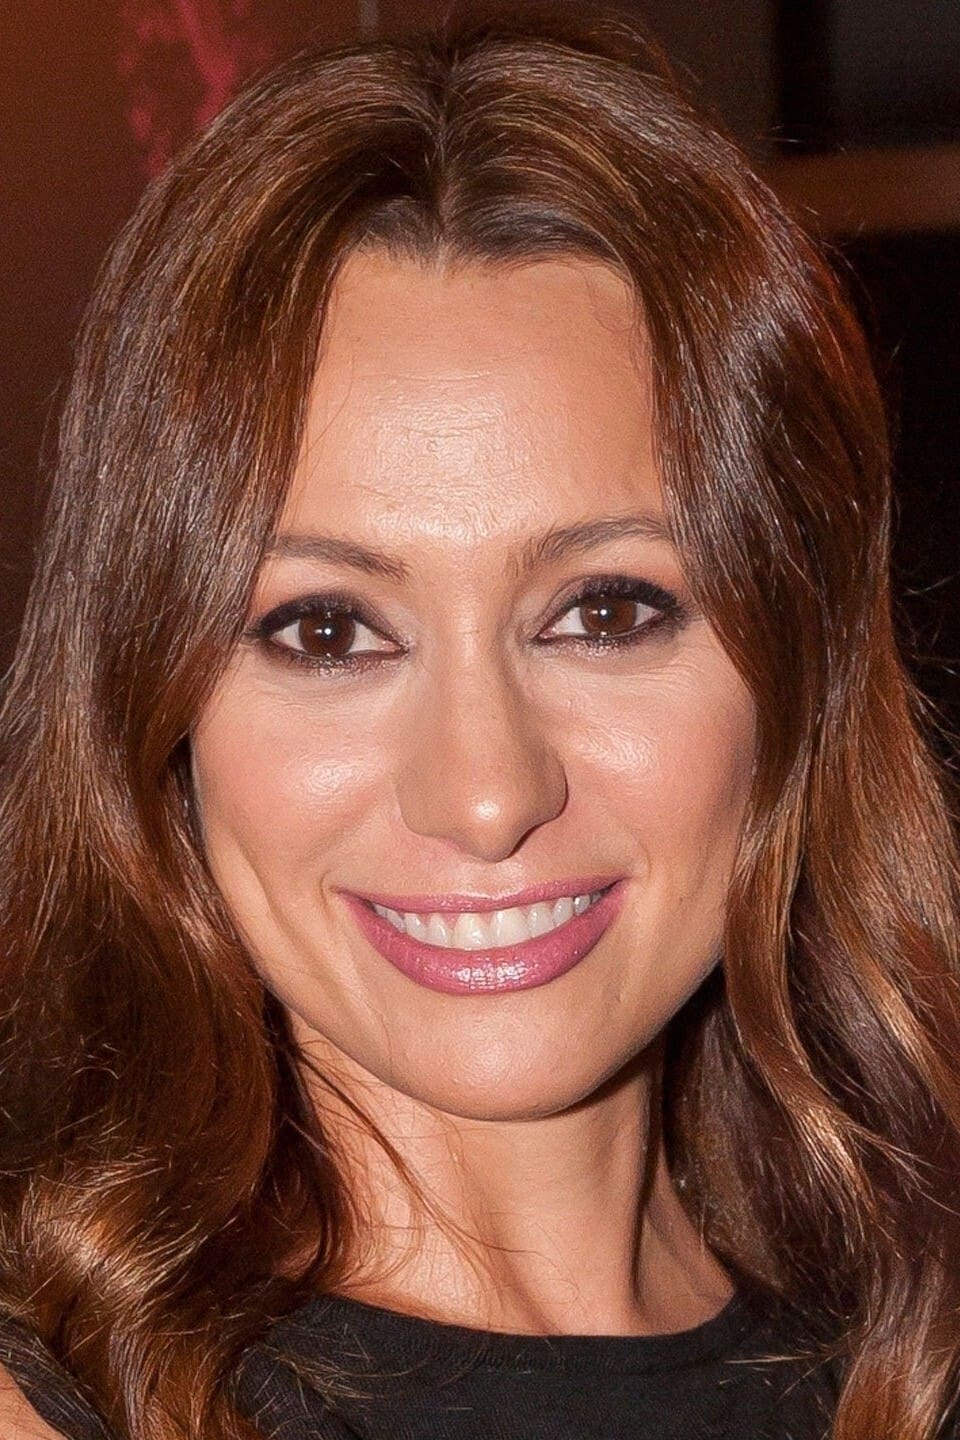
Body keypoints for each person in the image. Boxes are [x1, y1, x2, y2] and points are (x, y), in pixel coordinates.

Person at [1, 4, 959, 1437]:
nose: (486, 792)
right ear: (159, 707)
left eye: (607, 611)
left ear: (797, 664)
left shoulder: (915, 1345)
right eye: (327, 631)